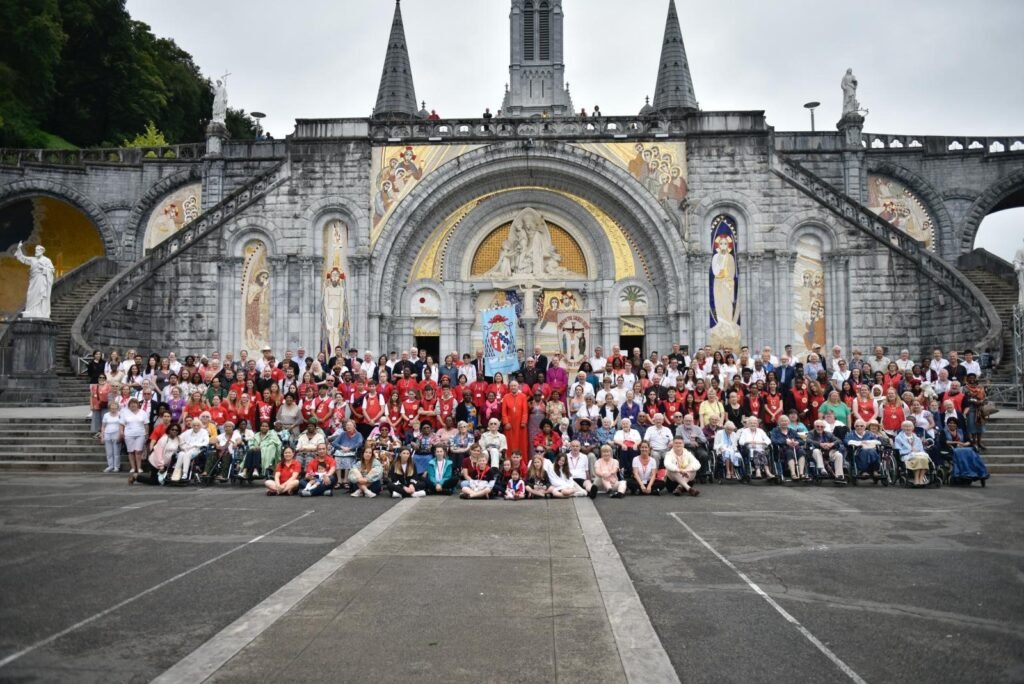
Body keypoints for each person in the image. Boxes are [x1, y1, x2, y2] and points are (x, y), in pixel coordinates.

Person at [894, 420, 930, 487]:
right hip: (906, 455)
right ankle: (916, 479)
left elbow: (921, 449)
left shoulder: (917, 438)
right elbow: (898, 449)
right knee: (918, 459)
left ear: (912, 428)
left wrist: (917, 451)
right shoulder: (898, 438)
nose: (908, 428)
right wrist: (910, 450)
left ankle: (921, 478)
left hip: (918, 454)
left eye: (909, 426)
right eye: (905, 426)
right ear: (902, 428)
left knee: (924, 458)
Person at [501, 380, 530, 457]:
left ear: (518, 387)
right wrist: (506, 422)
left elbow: (525, 411)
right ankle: (510, 460)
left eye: (515, 386)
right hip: (510, 424)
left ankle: (523, 460)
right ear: (509, 387)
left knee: (522, 442)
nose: (513, 387)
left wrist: (524, 421)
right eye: (512, 386)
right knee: (510, 442)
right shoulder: (506, 397)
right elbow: (504, 412)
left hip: (520, 424)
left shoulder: (523, 396)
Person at [101, 402, 124, 474]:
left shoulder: (120, 414)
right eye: (111, 408)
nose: (113, 409)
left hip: (116, 434)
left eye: (114, 408)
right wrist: (102, 436)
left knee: (116, 452)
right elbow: (103, 426)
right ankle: (110, 466)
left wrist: (120, 434)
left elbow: (122, 425)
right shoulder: (106, 415)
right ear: (109, 408)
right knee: (109, 452)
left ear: (117, 408)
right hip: (107, 434)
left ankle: (117, 466)